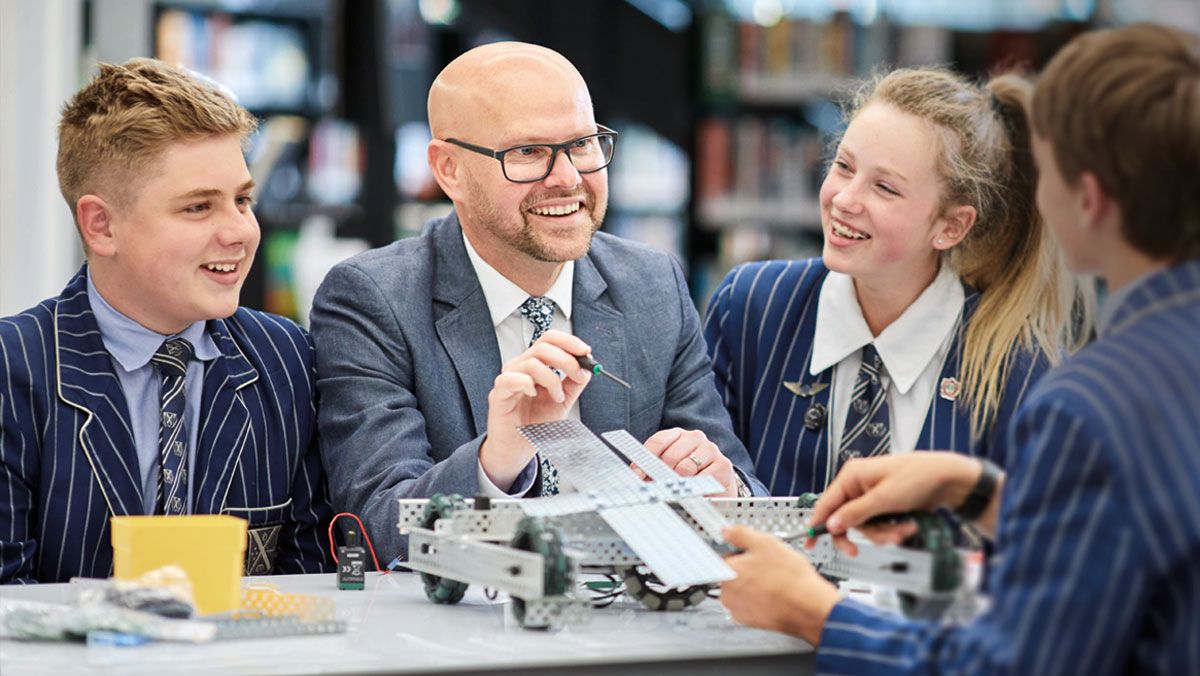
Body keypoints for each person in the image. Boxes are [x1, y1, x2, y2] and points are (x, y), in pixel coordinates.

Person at [719, 23, 1200, 674]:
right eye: (843, 166)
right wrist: (977, 491)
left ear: (1084, 198)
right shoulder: (1164, 361)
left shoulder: (1086, 397)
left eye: (1047, 169)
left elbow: (1017, 663)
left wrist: (815, 613)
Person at [310, 42, 766, 561]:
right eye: (527, 152)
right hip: (455, 632)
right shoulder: (372, 299)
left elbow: (743, 494)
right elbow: (373, 531)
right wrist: (496, 460)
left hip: (632, 627)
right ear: (449, 169)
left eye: (583, 144)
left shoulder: (652, 283)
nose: (568, 177)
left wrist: (723, 492)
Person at [0, 58, 333, 584]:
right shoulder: (15, 369)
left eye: (242, 200)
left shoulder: (286, 358)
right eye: (198, 208)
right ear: (101, 225)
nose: (240, 232)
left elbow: (315, 577)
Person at [703, 66, 1090, 496]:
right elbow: (709, 489)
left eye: (885, 188)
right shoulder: (751, 306)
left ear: (951, 226)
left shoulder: (1018, 365)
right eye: (844, 166)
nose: (845, 200)